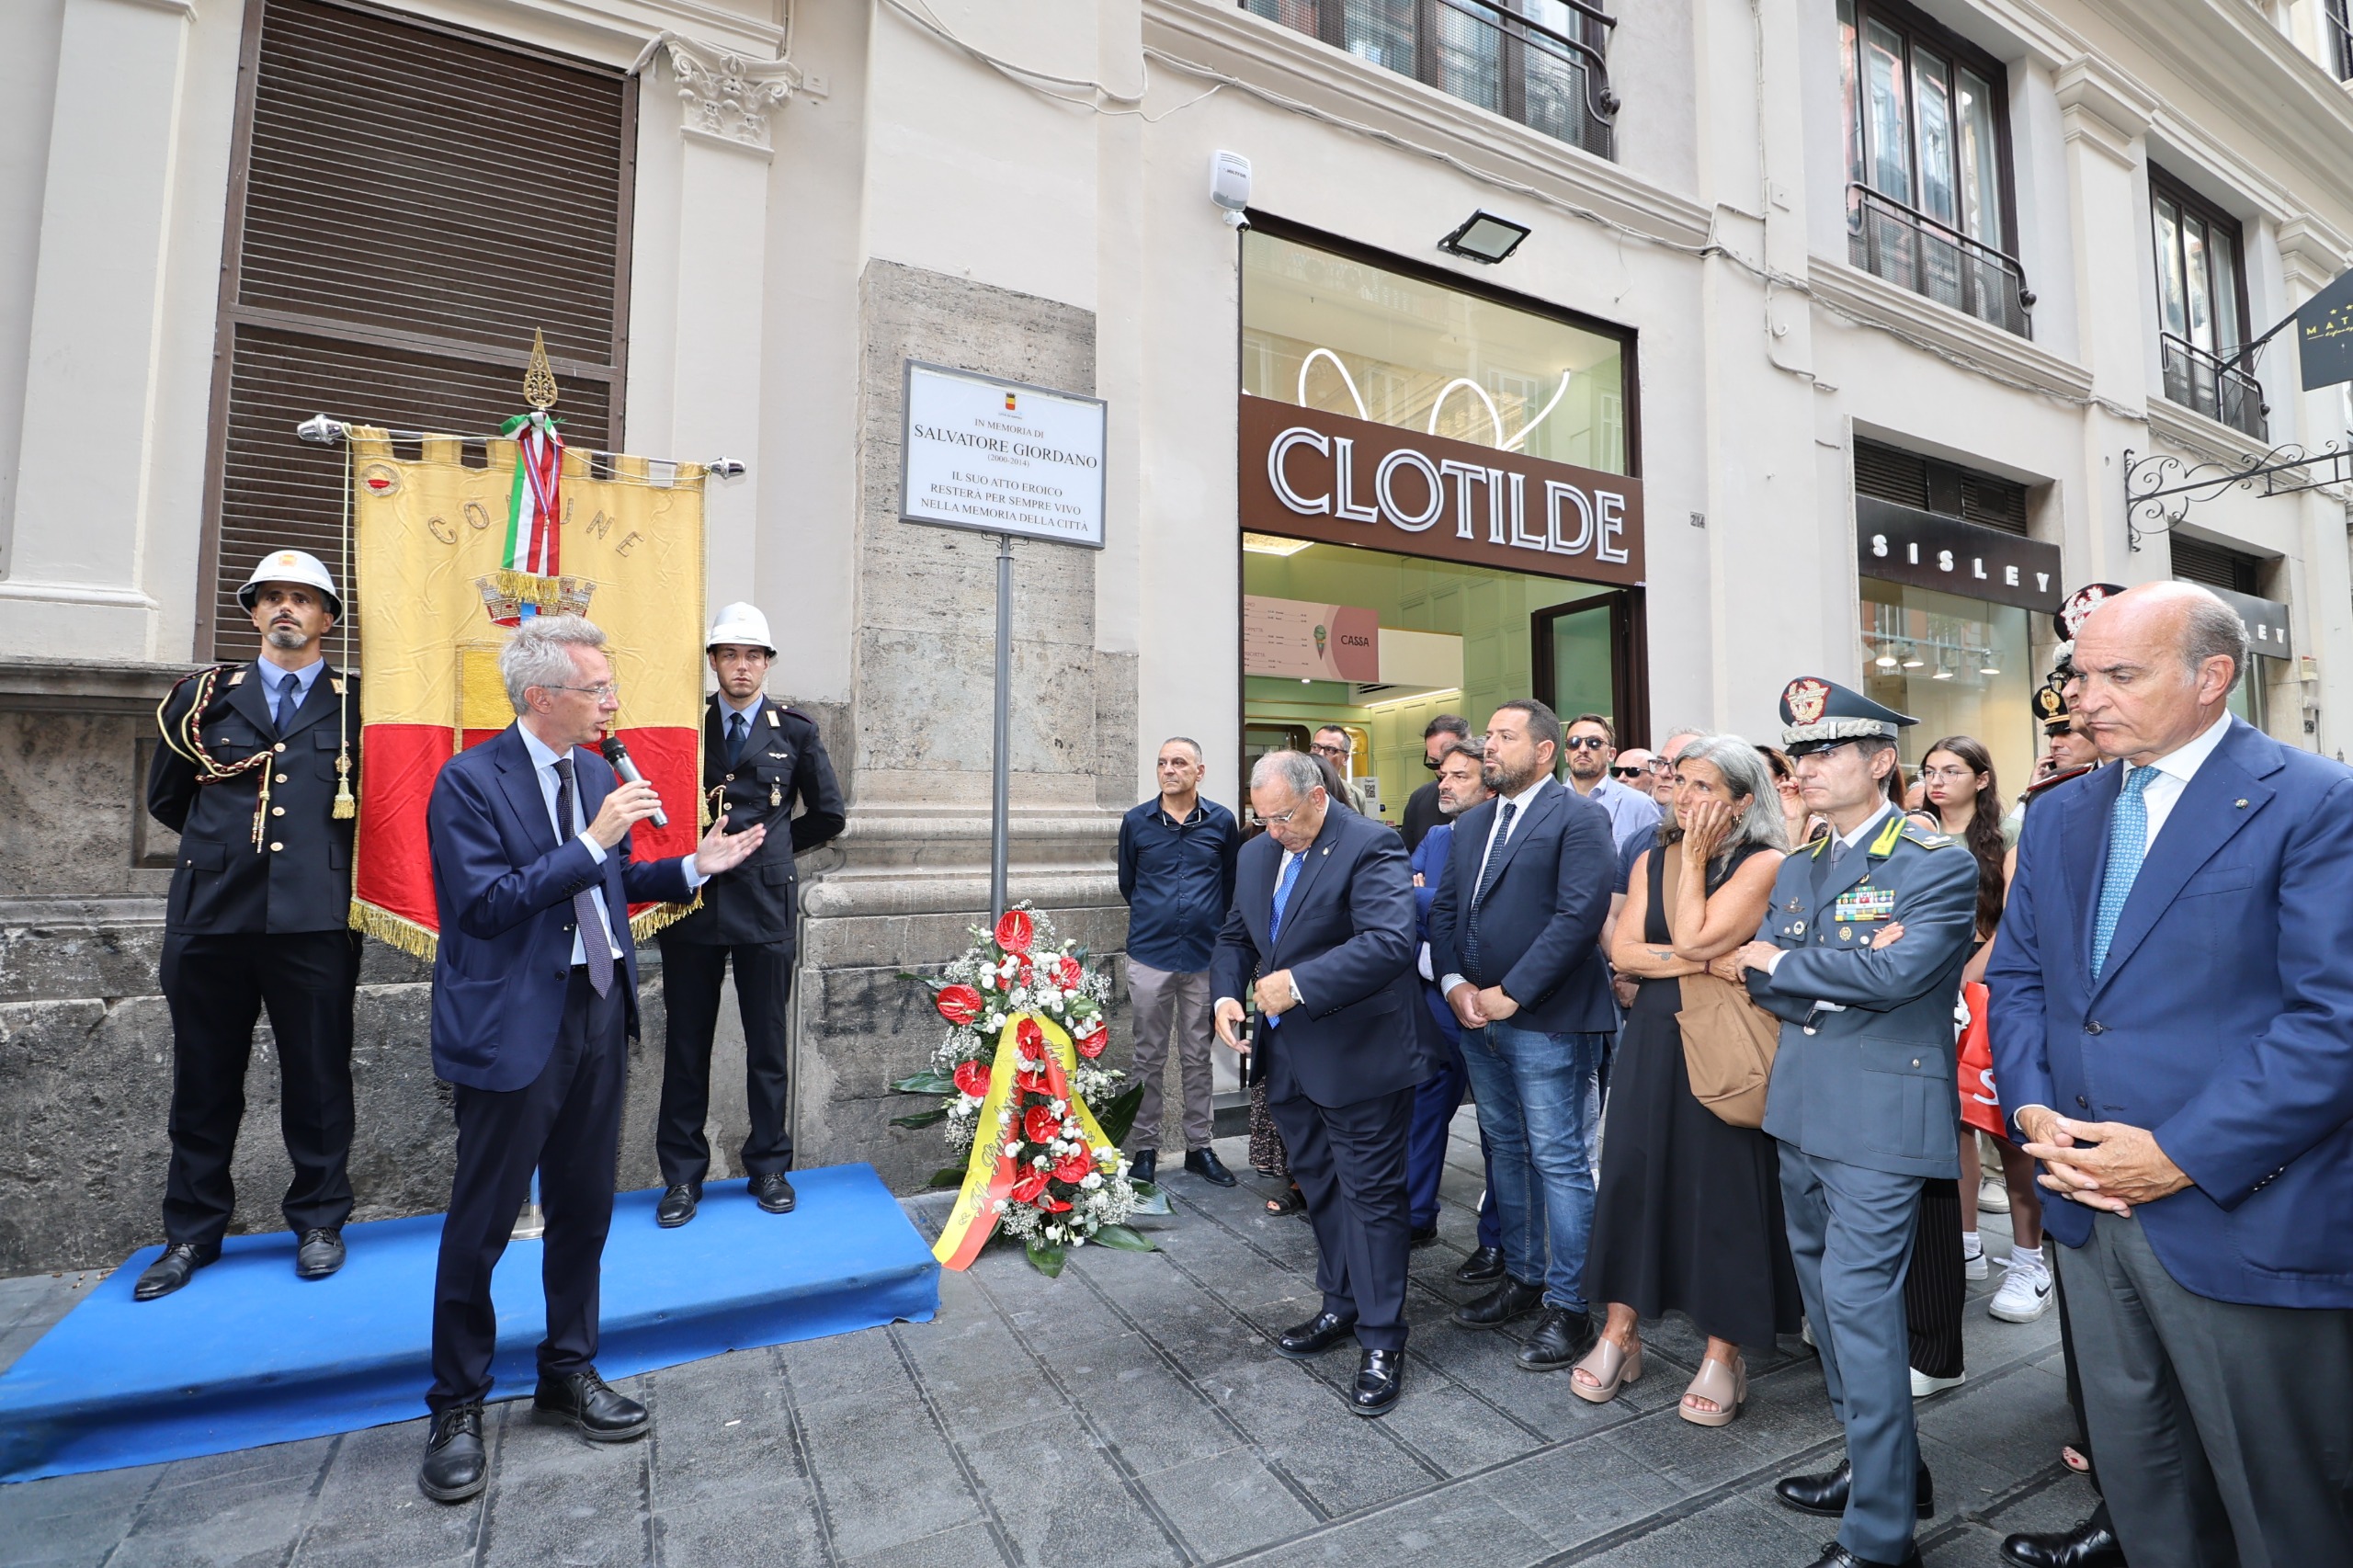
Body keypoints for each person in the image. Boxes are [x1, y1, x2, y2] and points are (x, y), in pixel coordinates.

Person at [1988, 582, 2353, 1568]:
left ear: (2211, 676)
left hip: (2239, 1215)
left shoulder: (2313, 800)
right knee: (2145, 1486)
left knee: (2282, 1505)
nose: (2084, 698)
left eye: (2117, 673)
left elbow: (2334, 1019)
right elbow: (2021, 981)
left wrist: (2181, 1153)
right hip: (2083, 1208)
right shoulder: (2061, 815)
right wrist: (2033, 1109)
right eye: (2077, 674)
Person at [417, 615, 764, 1505]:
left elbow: (610, 883)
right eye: (596, 687)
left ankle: (567, 1369)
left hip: (598, 1011)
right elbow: (488, 905)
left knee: (585, 1210)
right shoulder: (467, 782)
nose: (611, 699)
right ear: (543, 697)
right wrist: (593, 841)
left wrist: (693, 863)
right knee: (482, 1222)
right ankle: (456, 1402)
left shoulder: (598, 771)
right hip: (513, 1025)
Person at [1719, 677, 1978, 1568]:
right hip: (1799, 1104)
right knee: (1826, 1312)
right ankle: (1885, 1468)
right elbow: (1762, 976)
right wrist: (1810, 966)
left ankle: (1879, 1536)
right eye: (1799, 754)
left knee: (1862, 1310)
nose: (1807, 767)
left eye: (1827, 751)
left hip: (1877, 1115)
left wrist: (1789, 961)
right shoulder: (1801, 862)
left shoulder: (1933, 859)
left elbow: (1898, 975)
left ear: (1879, 760)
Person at [136, 550, 364, 1301]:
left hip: (314, 918)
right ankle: (193, 1233)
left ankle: (321, 1220)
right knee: (203, 1081)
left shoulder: (354, 703)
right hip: (212, 916)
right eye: (272, 598)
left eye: (303, 599)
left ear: (329, 617)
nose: (286, 610)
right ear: (254, 612)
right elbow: (170, 800)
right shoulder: (203, 698)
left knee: (320, 1078)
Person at [1580, 736, 1800, 1423]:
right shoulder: (1650, 852)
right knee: (1632, 1174)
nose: (1684, 796)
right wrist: (1703, 958)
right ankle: (1619, 1328)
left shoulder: (1766, 861)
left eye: (1704, 787)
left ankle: (1723, 1351)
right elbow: (1625, 950)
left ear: (1741, 801)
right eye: (1680, 782)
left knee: (1723, 1186)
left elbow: (1692, 934)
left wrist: (1698, 876)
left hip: (1726, 1037)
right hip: (1653, 1033)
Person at [1212, 751, 1425, 1418]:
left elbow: (1390, 941)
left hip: (1360, 1057)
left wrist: (1297, 984)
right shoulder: (1254, 854)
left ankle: (1383, 1340)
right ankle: (1340, 1306)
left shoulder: (1370, 845)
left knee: (1371, 1199)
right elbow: (1233, 936)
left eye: (1283, 817)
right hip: (1291, 1062)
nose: (1273, 831)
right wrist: (1225, 995)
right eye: (1263, 818)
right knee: (1323, 1191)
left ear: (1317, 797)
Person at [1427, 699, 1619, 1371]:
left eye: (1505, 737)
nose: (1490, 748)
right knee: (1505, 1150)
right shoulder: (1474, 820)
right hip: (1478, 1018)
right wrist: (1454, 983)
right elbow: (1447, 908)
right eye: (1489, 737)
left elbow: (1577, 916)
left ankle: (1571, 1308)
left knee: (1560, 1159)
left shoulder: (1579, 817)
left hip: (1548, 1019)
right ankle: (1526, 1278)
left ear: (1546, 751)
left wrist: (1512, 993)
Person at [653, 603, 845, 1228]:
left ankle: (769, 1166)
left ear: (767, 664)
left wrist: (775, 847)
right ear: (713, 662)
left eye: (753, 656)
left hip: (764, 902)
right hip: (695, 905)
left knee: (767, 1044)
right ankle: (682, 1177)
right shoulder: (687, 726)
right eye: (731, 655)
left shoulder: (794, 730)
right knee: (686, 1046)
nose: (742, 666)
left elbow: (828, 813)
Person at [1916, 736, 2045, 1318]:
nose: (1937, 781)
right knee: (1950, 1126)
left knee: (2005, 1122)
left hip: (1991, 988)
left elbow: (2016, 925)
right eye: (1928, 771)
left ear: (1983, 779)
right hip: (1925, 987)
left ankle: (2029, 1261)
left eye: (1951, 770)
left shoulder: (2010, 840)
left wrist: (1967, 979)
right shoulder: (1911, 833)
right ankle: (1965, 1245)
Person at [1118, 736, 1241, 1188]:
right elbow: (1128, 884)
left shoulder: (1223, 821)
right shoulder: (1136, 821)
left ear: (1199, 772)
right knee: (1147, 1057)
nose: (1169, 770)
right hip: (1150, 954)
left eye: (1180, 763)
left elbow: (1230, 885)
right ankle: (1145, 1149)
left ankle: (1199, 1148)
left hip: (1204, 957)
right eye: (1163, 763)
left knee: (1197, 1056)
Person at [1404, 739, 1500, 1253]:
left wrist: (1427, 897)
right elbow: (1402, 894)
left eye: (1459, 776)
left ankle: (1497, 1243)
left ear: (1489, 787)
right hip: (1434, 1003)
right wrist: (1428, 898)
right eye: (1443, 775)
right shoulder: (1437, 836)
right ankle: (1416, 1214)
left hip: (1492, 1001)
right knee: (1424, 1108)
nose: (1444, 783)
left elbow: (1464, 911)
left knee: (1497, 1125)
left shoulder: (1506, 840)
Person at [1563, 712, 1664, 860]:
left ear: (1611, 754)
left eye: (1594, 742)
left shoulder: (1639, 805)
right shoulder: (1545, 805)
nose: (1583, 749)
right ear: (1566, 755)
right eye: (1574, 742)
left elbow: (1654, 867)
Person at [1402, 714, 1472, 853]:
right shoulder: (1419, 799)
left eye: (1446, 759)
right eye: (1434, 762)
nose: (1441, 770)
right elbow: (1406, 856)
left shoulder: (1498, 796)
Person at [1309, 725, 1366, 812]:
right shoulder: (1294, 788)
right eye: (1315, 747)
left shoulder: (1356, 796)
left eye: (1330, 750)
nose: (1320, 754)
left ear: (1345, 759)